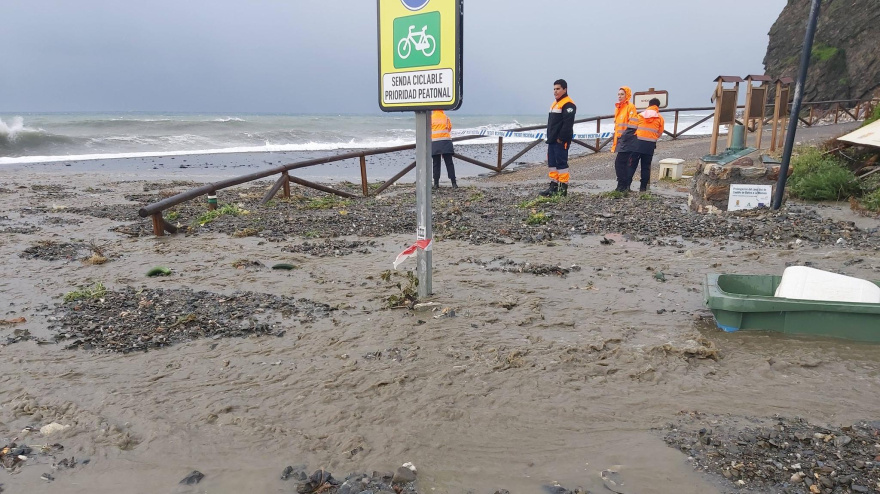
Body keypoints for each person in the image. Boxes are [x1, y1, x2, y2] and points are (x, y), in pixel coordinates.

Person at [540, 79, 576, 197]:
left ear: (564, 89)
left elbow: (568, 124)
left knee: (561, 164)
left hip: (560, 140)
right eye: (554, 89)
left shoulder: (568, 104)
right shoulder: (555, 103)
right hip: (552, 140)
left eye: (558, 89)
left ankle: (562, 189)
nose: (555, 91)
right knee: (552, 164)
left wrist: (561, 138)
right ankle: (553, 187)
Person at [628, 98, 665, 192]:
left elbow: (633, 128)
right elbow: (660, 132)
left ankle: (627, 186)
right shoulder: (660, 118)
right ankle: (643, 188)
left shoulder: (640, 115)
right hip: (650, 145)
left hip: (637, 143)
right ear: (657, 106)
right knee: (645, 166)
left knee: (632, 165)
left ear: (649, 105)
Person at [612, 86, 639, 192]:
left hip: (628, 140)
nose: (619, 96)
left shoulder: (630, 107)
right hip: (620, 140)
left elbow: (633, 125)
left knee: (619, 163)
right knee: (623, 163)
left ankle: (622, 185)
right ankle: (623, 185)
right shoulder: (618, 108)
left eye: (622, 94)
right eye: (618, 94)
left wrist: (623, 137)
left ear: (627, 95)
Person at [431, 109, 457, 189]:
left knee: (436, 163)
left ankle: (436, 183)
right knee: (449, 163)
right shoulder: (445, 117)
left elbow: (428, 130)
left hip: (435, 142)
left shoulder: (431, 117)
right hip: (446, 141)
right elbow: (449, 128)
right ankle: (454, 183)